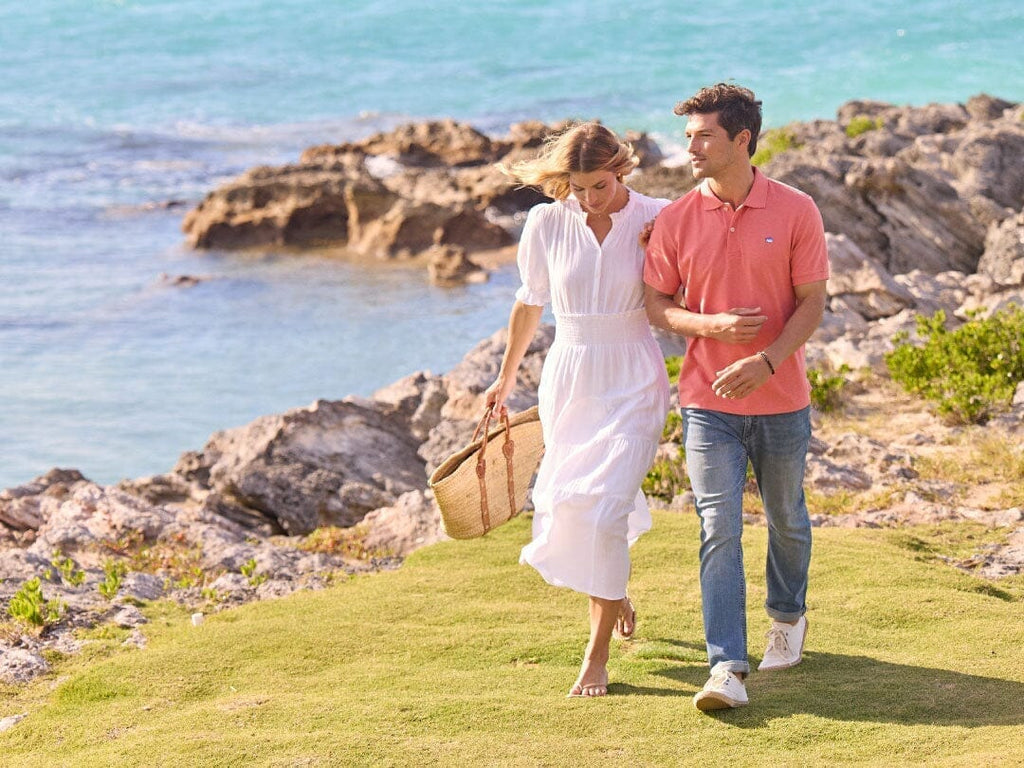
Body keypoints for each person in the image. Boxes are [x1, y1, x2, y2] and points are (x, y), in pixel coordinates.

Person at [643, 83, 829, 711]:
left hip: (782, 401)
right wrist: (710, 327)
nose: (690, 148)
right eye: (688, 136)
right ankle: (726, 666)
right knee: (718, 525)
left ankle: (787, 616)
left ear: (741, 140)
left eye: (703, 136)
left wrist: (768, 358)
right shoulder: (674, 219)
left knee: (787, 521)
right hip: (706, 404)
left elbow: (812, 304)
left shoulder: (797, 209)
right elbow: (657, 307)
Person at [484, 122, 671, 698]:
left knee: (607, 508)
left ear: (622, 169)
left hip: (634, 372)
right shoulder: (545, 221)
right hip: (569, 376)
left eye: (599, 184)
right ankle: (610, 586)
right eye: (577, 186)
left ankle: (595, 658)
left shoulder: (658, 215)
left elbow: (685, 290)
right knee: (573, 502)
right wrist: (506, 374)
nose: (589, 198)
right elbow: (530, 299)